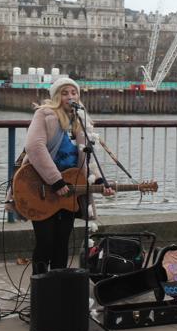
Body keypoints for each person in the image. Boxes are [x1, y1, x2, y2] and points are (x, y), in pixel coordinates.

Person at [22, 77, 114, 274]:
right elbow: (34, 146)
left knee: (62, 243)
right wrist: (55, 180)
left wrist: (98, 180)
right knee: (45, 242)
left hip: (69, 191)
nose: (70, 97)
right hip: (42, 186)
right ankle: (40, 289)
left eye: (74, 92)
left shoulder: (80, 121)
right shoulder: (44, 115)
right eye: (65, 93)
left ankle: (58, 287)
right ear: (56, 96)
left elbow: (86, 159)